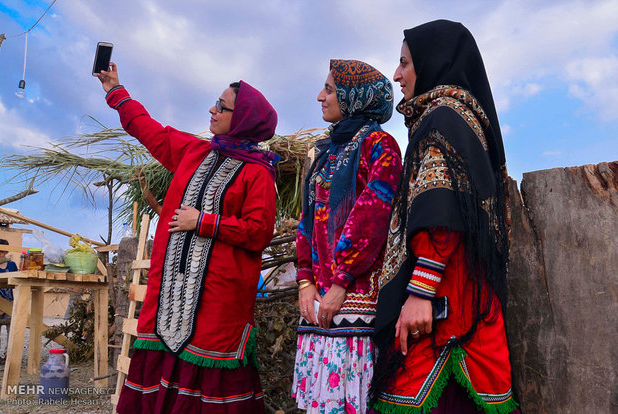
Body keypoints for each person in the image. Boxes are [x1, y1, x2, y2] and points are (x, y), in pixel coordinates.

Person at [98, 63, 278, 414]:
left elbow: (259, 232)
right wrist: (115, 92)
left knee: (208, 384)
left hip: (218, 304)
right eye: (216, 102)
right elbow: (149, 131)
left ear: (241, 119)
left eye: (222, 106)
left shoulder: (257, 173)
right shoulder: (194, 153)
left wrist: (204, 222)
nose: (212, 109)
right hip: (169, 297)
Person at [370, 20, 520, 413]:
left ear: (432, 62)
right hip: (464, 292)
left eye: (404, 63)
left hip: (444, 301)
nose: (397, 75)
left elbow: (442, 208)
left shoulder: (444, 118)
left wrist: (420, 292)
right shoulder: (460, 117)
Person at [293, 59, 402, 413]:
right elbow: (307, 221)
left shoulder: (379, 146)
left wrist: (341, 281)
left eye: (329, 89)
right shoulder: (326, 152)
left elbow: (372, 218)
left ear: (354, 97)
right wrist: (305, 281)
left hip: (355, 300)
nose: (320, 96)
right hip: (320, 302)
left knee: (350, 401)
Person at [0, 239, 15, 363]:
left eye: (1, 251)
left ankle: (9, 355)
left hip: (10, 302)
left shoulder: (11, 265)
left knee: (12, 330)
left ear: (6, 251)